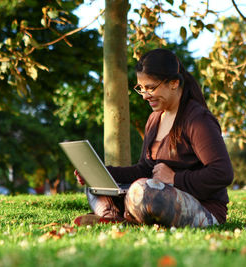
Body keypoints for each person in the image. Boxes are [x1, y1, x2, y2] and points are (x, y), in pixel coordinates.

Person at [74, 48, 234, 228]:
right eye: (140, 88)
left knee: (144, 190)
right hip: (155, 198)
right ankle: (114, 218)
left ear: (173, 83)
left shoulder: (197, 120)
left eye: (150, 88)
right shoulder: (154, 119)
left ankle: (123, 219)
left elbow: (223, 173)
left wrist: (175, 178)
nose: (144, 96)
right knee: (96, 185)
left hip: (204, 208)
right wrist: (103, 172)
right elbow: (144, 169)